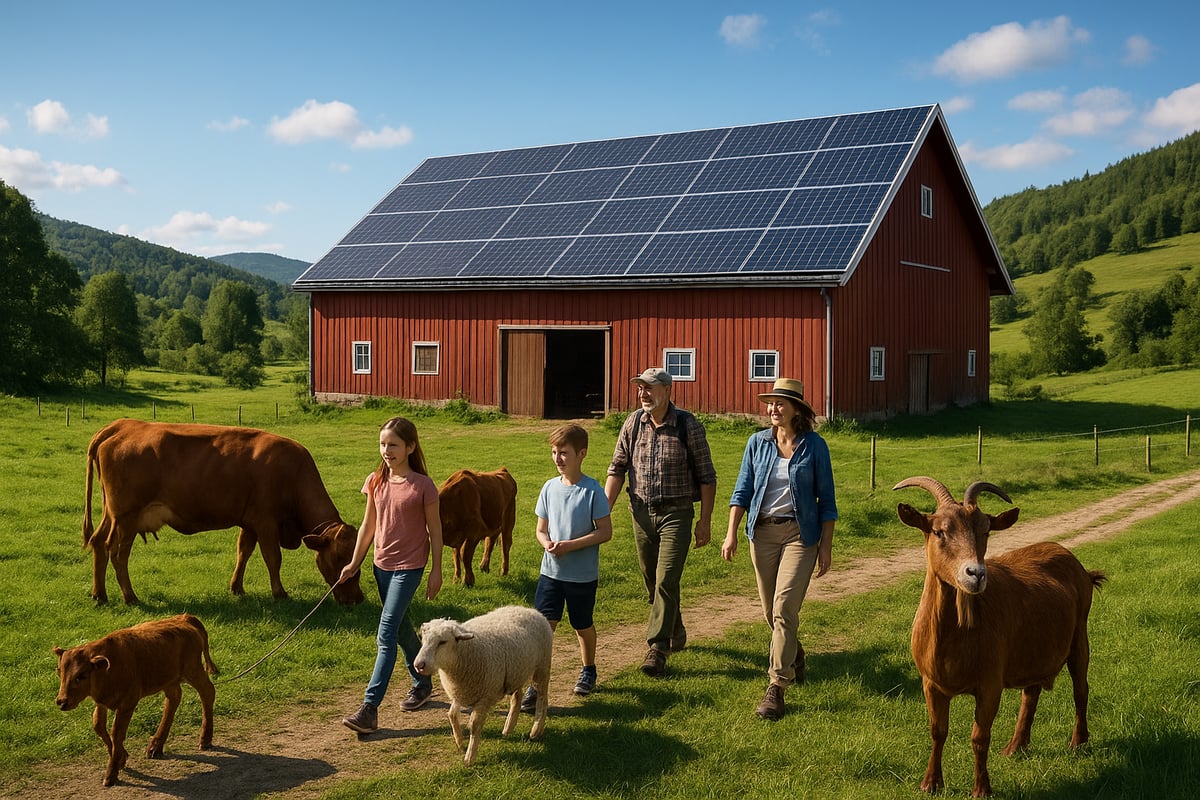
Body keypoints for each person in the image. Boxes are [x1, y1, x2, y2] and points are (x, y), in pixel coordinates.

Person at [721, 378, 837, 720]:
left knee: (784, 607)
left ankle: (776, 686)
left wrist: (826, 547)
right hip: (762, 533)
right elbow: (741, 491)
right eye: (770, 403)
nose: (773, 408)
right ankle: (795, 654)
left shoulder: (815, 446)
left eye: (780, 403)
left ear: (797, 409)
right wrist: (730, 534)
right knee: (770, 611)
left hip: (801, 535)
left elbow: (827, 501)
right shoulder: (757, 443)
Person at [606, 367, 717, 678]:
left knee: (666, 578)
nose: (643, 394)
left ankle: (658, 647)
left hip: (676, 514)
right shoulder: (632, 423)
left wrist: (704, 521)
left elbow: (707, 477)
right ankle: (676, 630)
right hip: (641, 513)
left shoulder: (688, 425)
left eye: (650, 388)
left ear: (668, 391)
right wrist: (602, 511)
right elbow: (616, 469)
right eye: (640, 388)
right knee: (651, 580)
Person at [341, 416, 444, 734]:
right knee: (401, 630)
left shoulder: (423, 486)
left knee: (385, 635)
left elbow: (435, 531)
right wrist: (355, 562)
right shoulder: (375, 481)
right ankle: (423, 683)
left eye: (394, 445)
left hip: (409, 568)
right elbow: (368, 526)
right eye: (383, 444)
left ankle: (369, 709)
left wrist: (436, 570)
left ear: (410, 447)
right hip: (380, 566)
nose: (387, 450)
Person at [520, 424, 613, 713]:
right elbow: (540, 529)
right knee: (543, 629)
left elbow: (605, 532)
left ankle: (588, 670)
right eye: (554, 453)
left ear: (581, 454)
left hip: (582, 576)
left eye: (564, 453)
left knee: (581, 625)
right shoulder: (549, 488)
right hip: (551, 573)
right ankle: (535, 685)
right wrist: (546, 542)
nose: (558, 458)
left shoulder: (593, 490)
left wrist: (570, 545)